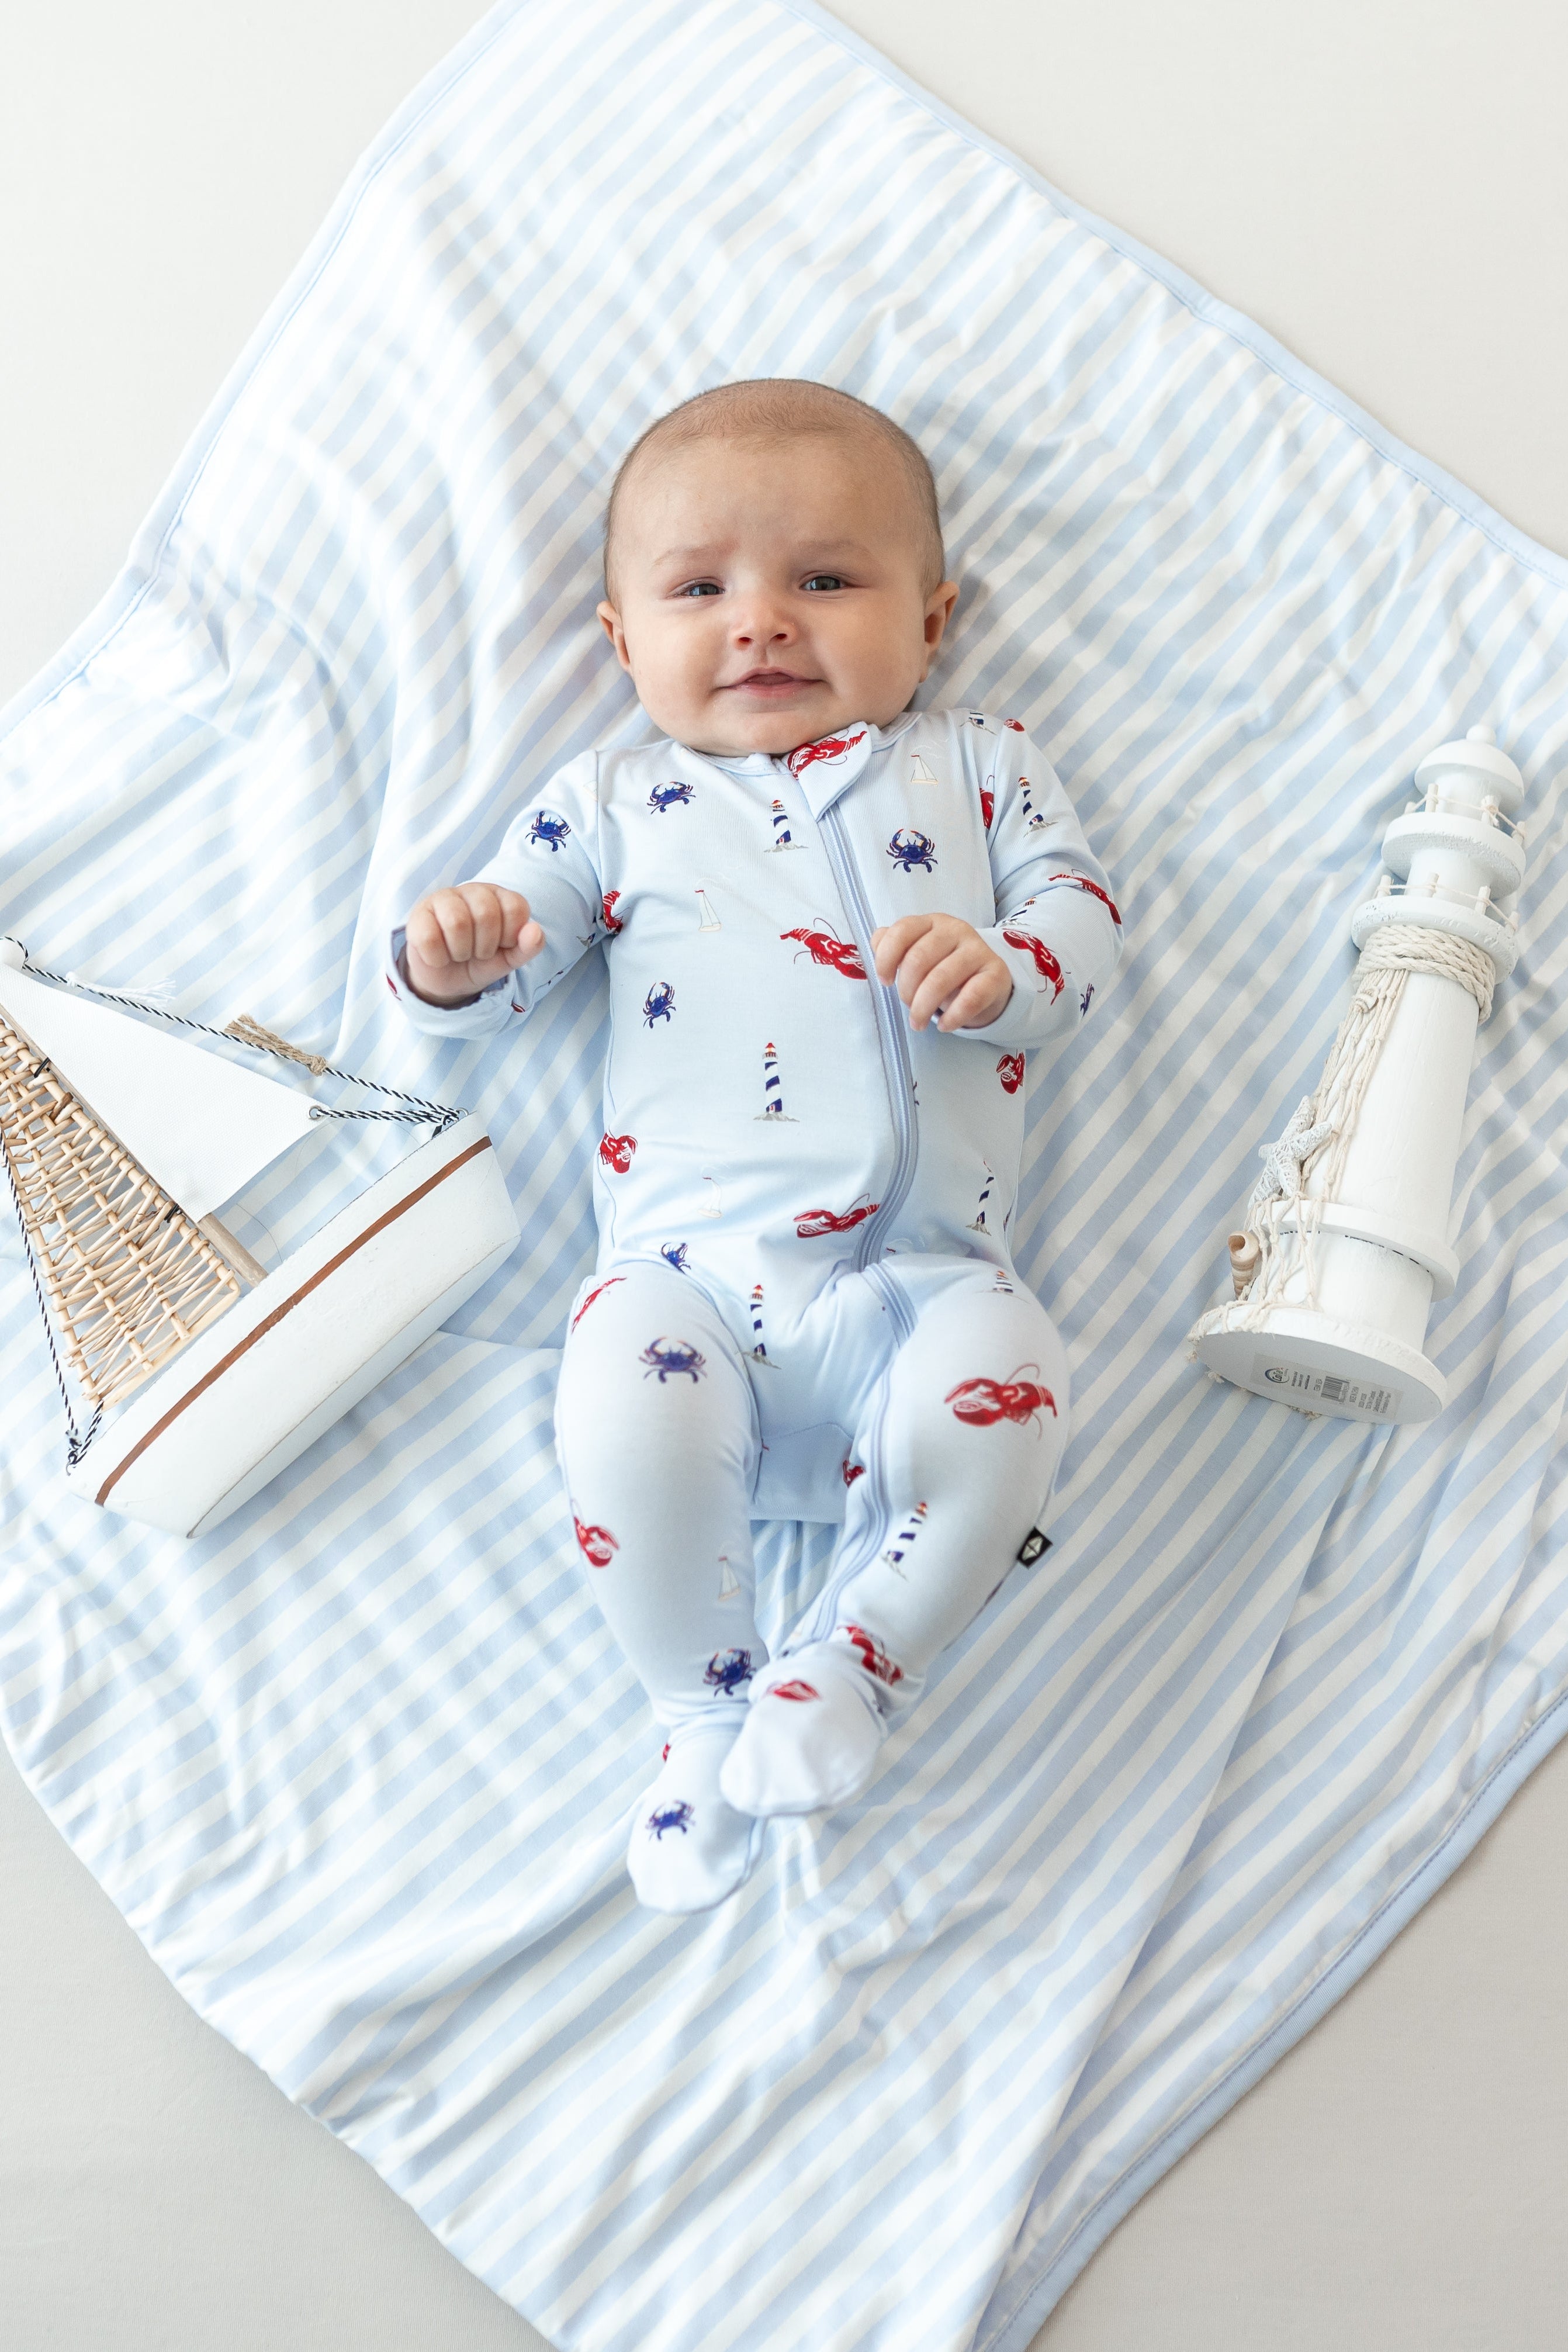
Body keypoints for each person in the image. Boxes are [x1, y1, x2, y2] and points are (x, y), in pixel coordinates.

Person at [385, 379, 1122, 1912]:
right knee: (613, 1411)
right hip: (686, 1288)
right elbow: (508, 966)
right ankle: (694, 1716)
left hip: (924, 1284)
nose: (762, 622)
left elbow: (1079, 912)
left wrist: (1011, 972)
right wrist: (455, 958)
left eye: (826, 579)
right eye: (699, 588)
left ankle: (852, 1662)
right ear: (618, 641)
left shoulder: (979, 765)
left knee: (1021, 1393)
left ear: (931, 622)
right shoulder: (612, 796)